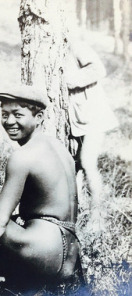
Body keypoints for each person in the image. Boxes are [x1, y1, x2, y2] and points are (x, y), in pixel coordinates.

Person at [0, 85, 81, 290]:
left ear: (39, 117)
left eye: (17, 114)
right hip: (70, 258)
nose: (9, 121)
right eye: (4, 114)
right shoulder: (60, 149)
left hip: (41, 254)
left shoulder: (23, 156)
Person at [65, 41, 118, 210]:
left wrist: (70, 81)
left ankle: (97, 216)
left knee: (87, 162)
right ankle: (77, 213)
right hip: (75, 121)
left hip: (94, 117)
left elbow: (98, 69)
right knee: (75, 166)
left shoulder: (76, 46)